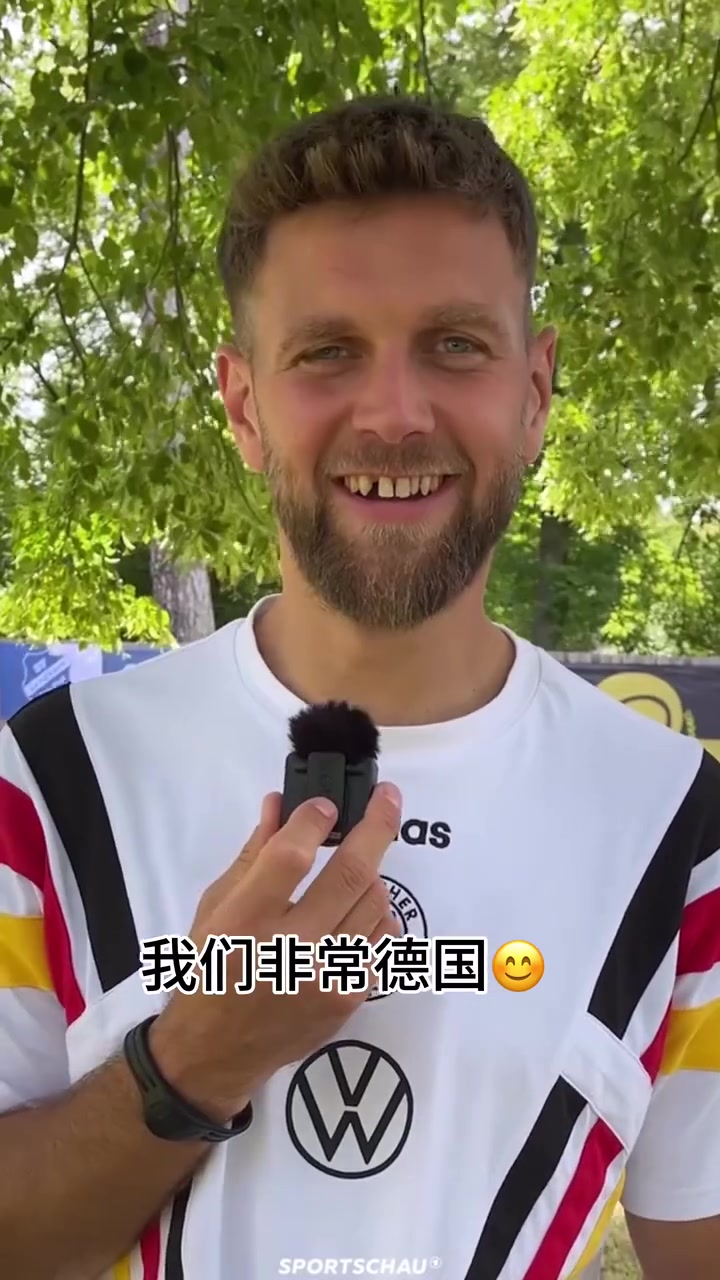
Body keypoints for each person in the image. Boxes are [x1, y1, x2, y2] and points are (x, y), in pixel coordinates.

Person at [0, 94, 718, 1280]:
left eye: (457, 344)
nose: (393, 414)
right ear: (244, 404)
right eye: (328, 351)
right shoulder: (51, 778)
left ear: (534, 392)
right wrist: (193, 1055)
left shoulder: (679, 826)